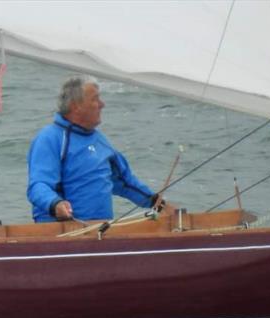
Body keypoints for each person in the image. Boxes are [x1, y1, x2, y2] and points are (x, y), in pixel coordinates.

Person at [27, 75, 168, 223]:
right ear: (76, 106)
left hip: (100, 230)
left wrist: (159, 204)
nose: (102, 104)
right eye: (95, 99)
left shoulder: (101, 141)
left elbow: (125, 182)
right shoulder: (50, 138)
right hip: (63, 231)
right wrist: (56, 204)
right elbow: (38, 186)